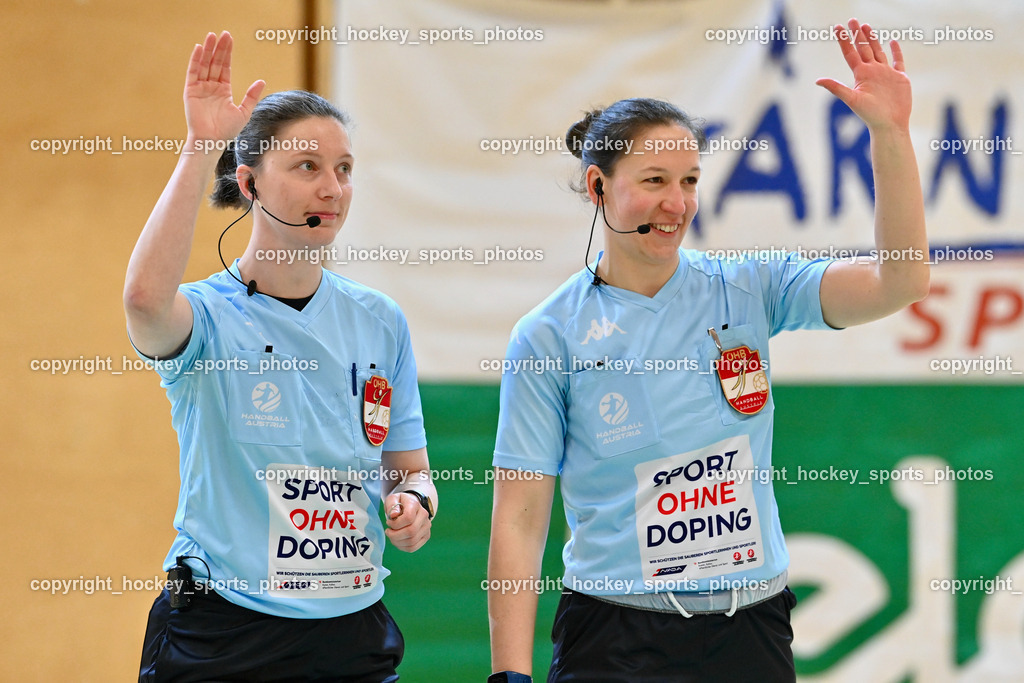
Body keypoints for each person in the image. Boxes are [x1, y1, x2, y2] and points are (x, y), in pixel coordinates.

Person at [487, 19, 927, 683]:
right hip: (615, 635)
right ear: (599, 187)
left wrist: (889, 135)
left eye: (690, 180)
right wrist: (509, 674)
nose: (677, 203)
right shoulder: (548, 334)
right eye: (654, 180)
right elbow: (520, 521)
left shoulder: (749, 286)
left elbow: (901, 281)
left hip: (749, 629)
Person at [124, 31, 437, 682]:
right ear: (250, 183)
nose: (333, 187)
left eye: (344, 169)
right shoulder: (206, 317)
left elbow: (410, 472)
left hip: (350, 631)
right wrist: (200, 144)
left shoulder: (380, 320)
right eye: (307, 167)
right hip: (222, 632)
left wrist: (416, 504)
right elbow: (144, 301)